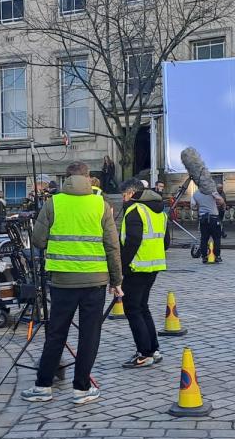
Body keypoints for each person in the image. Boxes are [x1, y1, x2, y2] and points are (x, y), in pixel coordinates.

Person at [20, 161, 122, 405]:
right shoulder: (101, 205)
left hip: (62, 280)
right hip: (95, 280)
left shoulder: (53, 203)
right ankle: (81, 389)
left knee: (56, 333)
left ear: (66, 178)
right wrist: (116, 280)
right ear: (88, 178)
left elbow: (38, 240)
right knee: (89, 335)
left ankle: (43, 386)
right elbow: (112, 245)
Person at [117, 180, 166, 368]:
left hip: (136, 266)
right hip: (154, 264)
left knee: (133, 309)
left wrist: (121, 267)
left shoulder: (135, 211)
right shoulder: (159, 211)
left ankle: (144, 353)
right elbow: (166, 240)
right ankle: (153, 349)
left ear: (131, 193)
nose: (123, 199)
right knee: (142, 307)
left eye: (124, 195)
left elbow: (132, 242)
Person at [192, 187, 224, 264]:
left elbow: (192, 206)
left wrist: (201, 207)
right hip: (213, 218)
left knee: (204, 238)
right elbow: (221, 201)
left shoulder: (195, 194)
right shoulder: (212, 191)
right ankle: (217, 256)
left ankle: (204, 257)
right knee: (216, 238)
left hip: (203, 218)